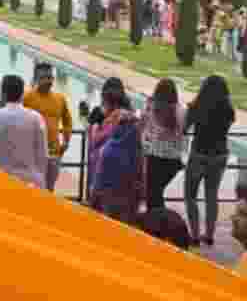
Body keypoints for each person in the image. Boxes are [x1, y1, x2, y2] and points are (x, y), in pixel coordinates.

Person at [184, 75, 235, 247]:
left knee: (190, 196)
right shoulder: (228, 110)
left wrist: (189, 109)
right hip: (220, 155)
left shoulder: (197, 107)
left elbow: (184, 128)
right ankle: (210, 234)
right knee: (211, 195)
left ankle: (195, 235)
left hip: (199, 153)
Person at [87, 77, 142, 224]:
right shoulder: (133, 119)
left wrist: (94, 127)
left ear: (106, 98)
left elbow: (95, 141)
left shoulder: (114, 118)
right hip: (128, 180)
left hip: (106, 179)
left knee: (103, 221)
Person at [0, 75, 48, 188]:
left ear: (3, 93)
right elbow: (42, 154)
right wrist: (40, 180)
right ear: (22, 94)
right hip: (30, 180)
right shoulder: (36, 118)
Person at [23, 63, 73, 191]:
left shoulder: (59, 98)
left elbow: (67, 121)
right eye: (44, 77)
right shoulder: (27, 98)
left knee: (49, 189)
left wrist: (66, 141)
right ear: (36, 79)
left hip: (54, 152)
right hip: (32, 153)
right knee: (32, 189)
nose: (48, 81)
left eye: (50, 77)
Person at [139, 79, 186, 209]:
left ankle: (156, 224)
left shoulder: (153, 109)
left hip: (155, 158)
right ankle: (159, 222)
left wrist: (147, 107)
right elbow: (182, 132)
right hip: (174, 161)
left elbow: (142, 127)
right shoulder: (181, 111)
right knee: (156, 194)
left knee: (152, 196)